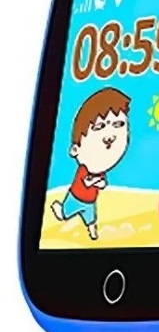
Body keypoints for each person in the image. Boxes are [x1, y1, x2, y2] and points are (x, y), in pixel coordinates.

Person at [50, 87, 131, 240]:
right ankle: (58, 209)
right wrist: (96, 181)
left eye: (118, 124)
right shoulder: (84, 169)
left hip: (90, 202)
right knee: (64, 215)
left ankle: (93, 233)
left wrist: (99, 182)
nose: (110, 137)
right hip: (75, 198)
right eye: (99, 127)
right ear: (75, 149)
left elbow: (102, 184)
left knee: (91, 220)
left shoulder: (100, 170)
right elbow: (86, 182)